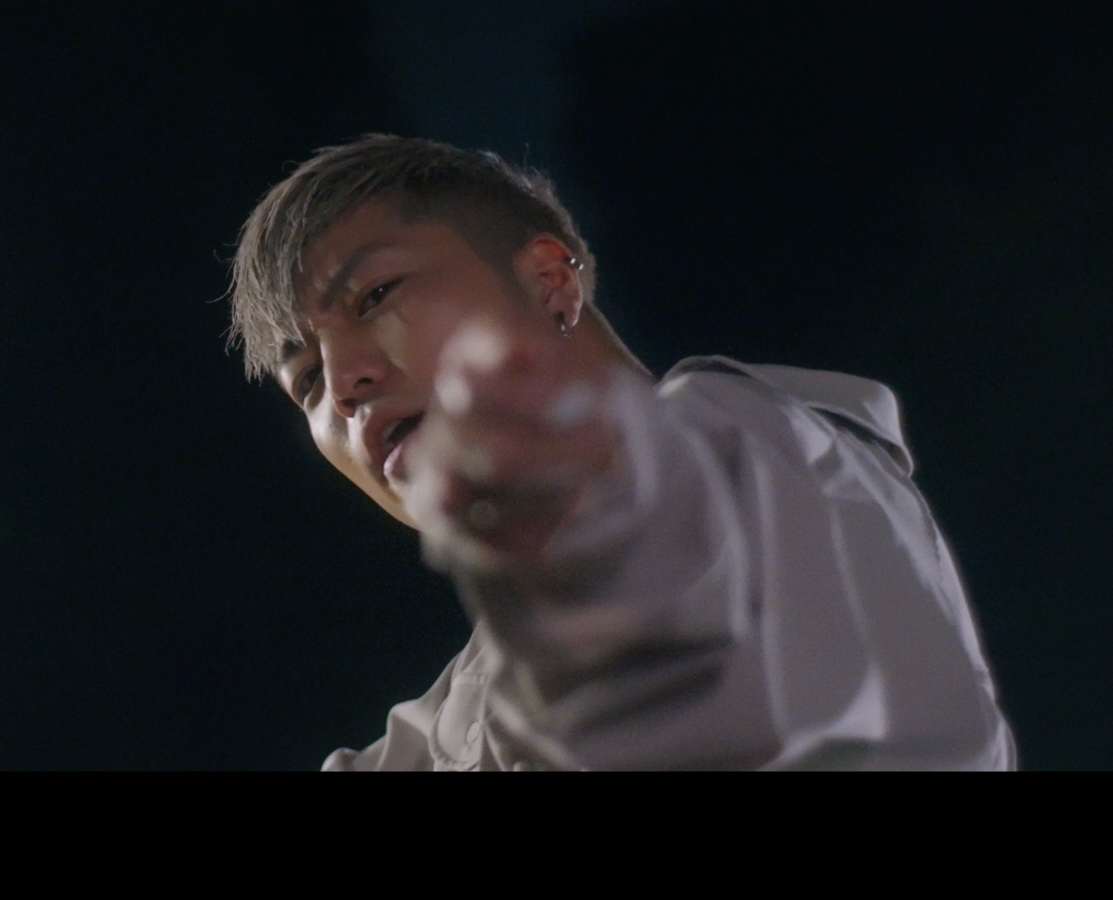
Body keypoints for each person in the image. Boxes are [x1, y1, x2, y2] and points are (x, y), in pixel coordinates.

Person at [226, 134, 1017, 770]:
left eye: (375, 296)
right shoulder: (460, 700)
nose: (345, 381)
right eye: (306, 380)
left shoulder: (745, 444)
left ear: (550, 281)